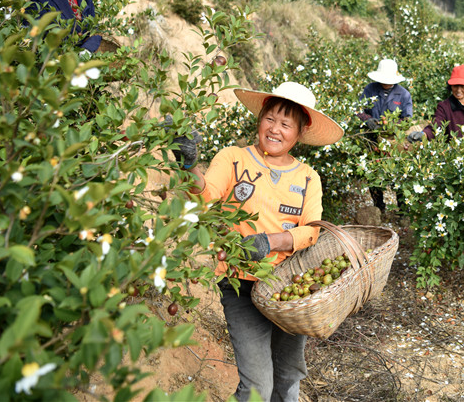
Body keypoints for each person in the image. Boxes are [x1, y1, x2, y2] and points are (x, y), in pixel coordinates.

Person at [172, 81, 344, 402]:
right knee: (257, 389)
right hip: (240, 286)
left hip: (288, 290)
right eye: (270, 119)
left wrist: (271, 241)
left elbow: (311, 232)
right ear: (259, 118)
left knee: (289, 375)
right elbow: (205, 194)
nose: (275, 129)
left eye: (285, 124)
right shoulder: (234, 158)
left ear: (300, 132)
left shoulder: (307, 177)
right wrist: (188, 165)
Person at [357, 58, 413, 213]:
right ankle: (379, 209)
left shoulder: (403, 95)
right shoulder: (370, 90)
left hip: (395, 141)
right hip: (373, 139)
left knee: (399, 173)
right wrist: (368, 120)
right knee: (374, 174)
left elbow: (407, 119)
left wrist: (392, 125)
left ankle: (402, 211)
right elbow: (359, 110)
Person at [407, 64, 464, 143]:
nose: (458, 90)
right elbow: (436, 126)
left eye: (462, 86)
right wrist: (423, 134)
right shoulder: (444, 107)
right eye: (455, 86)